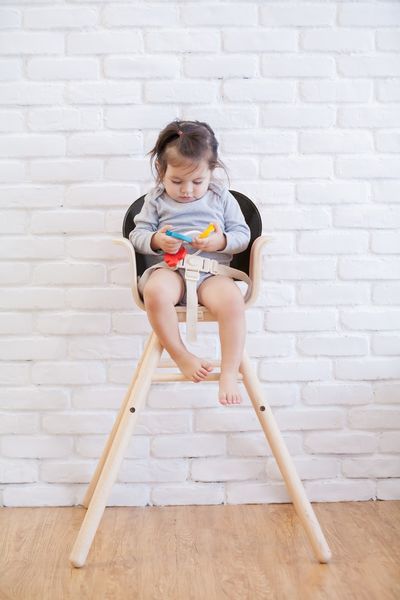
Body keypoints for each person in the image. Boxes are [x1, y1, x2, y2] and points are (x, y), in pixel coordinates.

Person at [129, 120, 251, 406]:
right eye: (176, 181)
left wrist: (221, 242)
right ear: (161, 170)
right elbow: (137, 234)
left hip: (211, 273)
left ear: (211, 171)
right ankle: (181, 355)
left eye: (197, 182)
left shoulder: (221, 198)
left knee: (232, 302)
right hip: (171, 270)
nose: (187, 190)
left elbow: (242, 235)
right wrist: (157, 240)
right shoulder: (156, 200)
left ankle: (229, 372)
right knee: (155, 292)